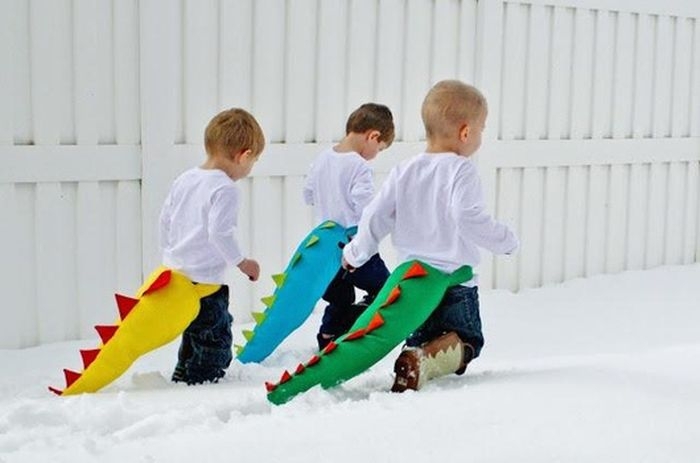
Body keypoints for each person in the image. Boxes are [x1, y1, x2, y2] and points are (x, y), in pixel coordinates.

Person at [341, 80, 519, 392]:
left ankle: (417, 353)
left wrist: (356, 253)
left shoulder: (404, 170)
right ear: (466, 132)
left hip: (412, 283)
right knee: (467, 341)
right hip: (453, 283)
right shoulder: (461, 170)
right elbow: (468, 216)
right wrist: (505, 240)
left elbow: (375, 215)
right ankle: (424, 359)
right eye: (481, 129)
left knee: (420, 333)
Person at [159, 108, 265, 385]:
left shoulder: (185, 178)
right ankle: (202, 380)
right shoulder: (225, 188)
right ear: (244, 155)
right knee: (215, 332)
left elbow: (165, 219)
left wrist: (171, 256)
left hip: (178, 274)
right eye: (253, 161)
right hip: (206, 279)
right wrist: (243, 262)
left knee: (195, 327)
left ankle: (184, 369)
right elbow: (220, 233)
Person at [303, 103, 396, 350]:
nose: (376, 153)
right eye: (380, 148)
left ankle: (328, 336)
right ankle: (360, 324)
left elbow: (308, 195)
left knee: (339, 297)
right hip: (354, 244)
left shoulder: (322, 159)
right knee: (387, 291)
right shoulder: (359, 166)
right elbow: (366, 208)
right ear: (373, 136)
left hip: (326, 246)